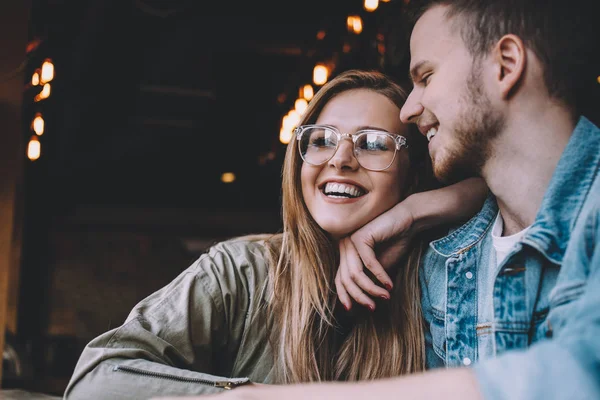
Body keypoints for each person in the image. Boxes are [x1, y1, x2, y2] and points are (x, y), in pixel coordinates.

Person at [180, 0, 600, 399]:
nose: (409, 109)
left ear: (505, 66)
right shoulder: (444, 262)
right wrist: (417, 213)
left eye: (426, 77)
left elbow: (580, 372)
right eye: (323, 140)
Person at [63, 69, 487, 399]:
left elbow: (530, 183)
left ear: (412, 175)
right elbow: (95, 382)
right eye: (321, 139)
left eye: (373, 144)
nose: (340, 159)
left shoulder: (438, 277)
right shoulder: (242, 272)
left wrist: (416, 211)